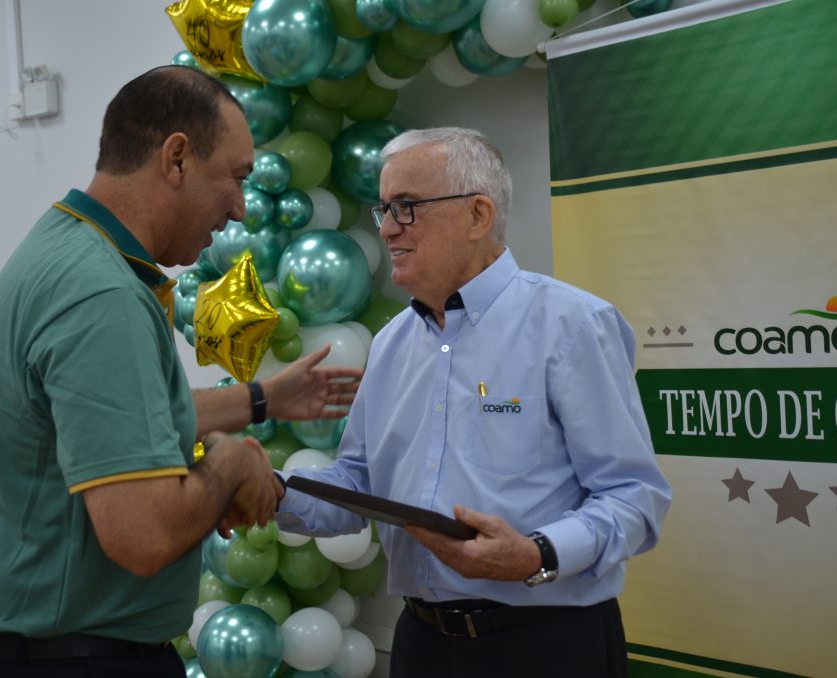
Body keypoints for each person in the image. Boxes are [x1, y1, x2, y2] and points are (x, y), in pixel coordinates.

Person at [0, 66, 360, 678]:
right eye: (234, 178)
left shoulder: (65, 251)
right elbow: (144, 536)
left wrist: (262, 398)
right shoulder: (100, 294)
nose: (239, 209)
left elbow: (111, 417)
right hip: (67, 656)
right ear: (176, 158)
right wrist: (233, 461)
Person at [276, 127, 672, 677]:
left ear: (478, 215)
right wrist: (274, 494)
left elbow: (634, 498)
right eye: (384, 209)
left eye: (407, 207)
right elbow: (359, 482)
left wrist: (537, 554)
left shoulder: (573, 326)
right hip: (422, 644)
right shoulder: (391, 344)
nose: (388, 229)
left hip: (546, 646)